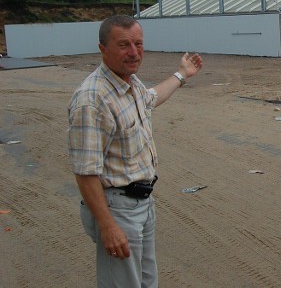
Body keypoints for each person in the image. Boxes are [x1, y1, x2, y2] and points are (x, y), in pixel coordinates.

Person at [67, 15, 203, 287]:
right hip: (117, 208)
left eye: (138, 44)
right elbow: (85, 172)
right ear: (102, 48)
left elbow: (152, 98)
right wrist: (108, 225)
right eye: (123, 45)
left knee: (146, 282)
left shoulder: (130, 83)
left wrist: (182, 74)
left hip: (142, 203)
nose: (133, 52)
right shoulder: (92, 100)